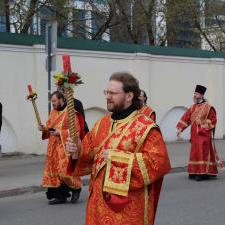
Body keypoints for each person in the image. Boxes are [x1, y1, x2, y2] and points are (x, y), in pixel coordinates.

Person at [66, 72, 171, 225]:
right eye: (106, 92)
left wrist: (117, 158)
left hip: (126, 210)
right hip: (97, 205)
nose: (108, 96)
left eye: (113, 93)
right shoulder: (102, 123)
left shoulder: (146, 127)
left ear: (129, 96)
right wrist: (77, 149)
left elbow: (158, 163)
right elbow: (88, 156)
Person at [38, 91, 82, 205]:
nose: (52, 103)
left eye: (54, 101)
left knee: (64, 171)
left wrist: (60, 132)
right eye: (51, 101)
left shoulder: (70, 113)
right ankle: (60, 196)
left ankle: (76, 189)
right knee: (54, 171)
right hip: (53, 147)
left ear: (61, 99)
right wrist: (43, 128)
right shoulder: (53, 112)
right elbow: (49, 126)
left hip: (65, 147)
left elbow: (76, 131)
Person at [176, 85, 219, 181]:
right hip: (194, 135)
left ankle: (202, 173)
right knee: (195, 153)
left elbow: (213, 120)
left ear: (201, 95)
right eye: (194, 94)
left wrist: (203, 123)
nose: (194, 95)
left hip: (203, 135)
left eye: (196, 94)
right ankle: (194, 171)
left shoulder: (208, 107)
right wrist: (180, 128)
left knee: (202, 153)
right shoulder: (193, 107)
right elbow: (186, 118)